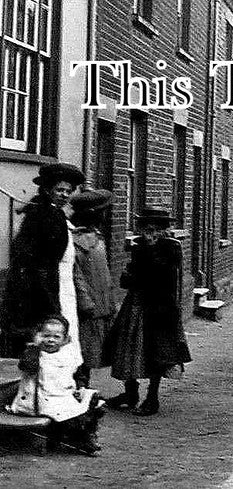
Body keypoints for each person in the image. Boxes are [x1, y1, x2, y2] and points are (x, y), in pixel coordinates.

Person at [103, 209, 192, 417]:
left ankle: (152, 398)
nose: (148, 235)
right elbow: (126, 280)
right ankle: (130, 393)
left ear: (163, 231)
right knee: (126, 348)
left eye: (154, 231)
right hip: (136, 304)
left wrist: (138, 274)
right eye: (145, 230)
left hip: (160, 308)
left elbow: (158, 278)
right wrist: (135, 275)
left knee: (156, 352)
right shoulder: (139, 249)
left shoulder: (171, 249)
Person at [1, 163, 86, 361]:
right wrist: (49, 300)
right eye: (59, 190)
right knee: (50, 332)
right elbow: (39, 260)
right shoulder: (44, 216)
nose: (64, 195)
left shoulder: (52, 213)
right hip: (44, 284)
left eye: (68, 191)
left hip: (59, 280)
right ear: (48, 189)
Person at [7, 314, 104, 455]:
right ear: (39, 336)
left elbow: (77, 374)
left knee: (93, 401)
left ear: (65, 340)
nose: (50, 340)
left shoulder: (67, 356)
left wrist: (80, 387)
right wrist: (34, 346)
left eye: (56, 337)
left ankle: (84, 436)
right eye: (46, 336)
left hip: (61, 396)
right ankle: (75, 437)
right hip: (39, 400)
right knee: (71, 415)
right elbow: (27, 366)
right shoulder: (34, 354)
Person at [69, 190, 116, 389]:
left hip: (101, 305)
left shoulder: (96, 236)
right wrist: (86, 302)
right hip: (86, 308)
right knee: (83, 352)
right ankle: (80, 390)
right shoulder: (77, 240)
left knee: (93, 352)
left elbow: (103, 273)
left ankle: (84, 389)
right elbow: (76, 274)